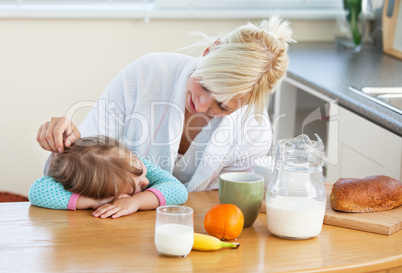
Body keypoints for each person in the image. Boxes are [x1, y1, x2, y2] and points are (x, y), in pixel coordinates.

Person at [36, 15, 294, 194]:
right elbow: (83, 161)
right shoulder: (146, 75)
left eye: (223, 107)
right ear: (208, 51)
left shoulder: (254, 132)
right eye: (204, 85)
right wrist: (67, 143)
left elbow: (228, 205)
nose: (201, 106)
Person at [29, 136, 188, 218]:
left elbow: (179, 191)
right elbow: (37, 191)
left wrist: (135, 201)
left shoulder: (136, 165)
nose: (146, 182)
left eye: (140, 174)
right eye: (137, 188)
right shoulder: (100, 190)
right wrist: (94, 201)